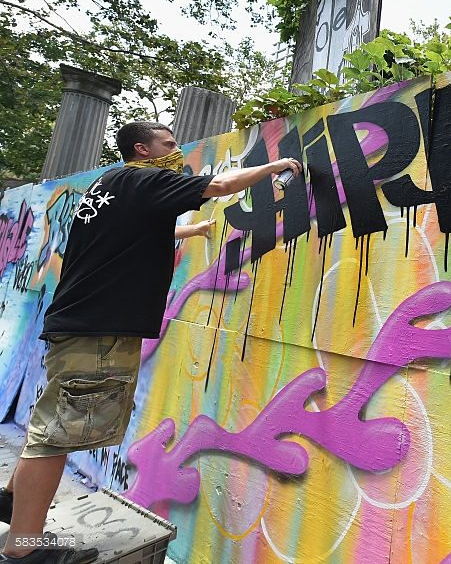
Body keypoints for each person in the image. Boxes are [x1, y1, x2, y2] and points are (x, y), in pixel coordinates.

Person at [0, 121, 301, 563]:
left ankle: (14, 503)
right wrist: (275, 165)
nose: (178, 152)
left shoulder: (108, 185)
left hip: (78, 325)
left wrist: (193, 233)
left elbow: (131, 236)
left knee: (52, 425)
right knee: (58, 437)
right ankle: (22, 550)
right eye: (170, 143)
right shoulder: (146, 177)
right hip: (100, 331)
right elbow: (218, 184)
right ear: (143, 149)